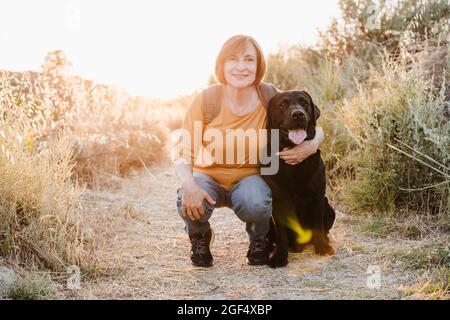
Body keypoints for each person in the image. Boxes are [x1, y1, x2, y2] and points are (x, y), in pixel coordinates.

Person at [173, 35, 325, 267]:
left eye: (249, 59)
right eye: (233, 59)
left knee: (257, 200)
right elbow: (183, 151)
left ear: (258, 66)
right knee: (189, 196)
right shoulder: (207, 100)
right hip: (210, 179)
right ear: (221, 65)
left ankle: (259, 238)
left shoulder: (269, 96)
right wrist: (189, 183)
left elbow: (307, 115)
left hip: (249, 181)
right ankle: (199, 235)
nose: (241, 66)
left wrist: (312, 144)